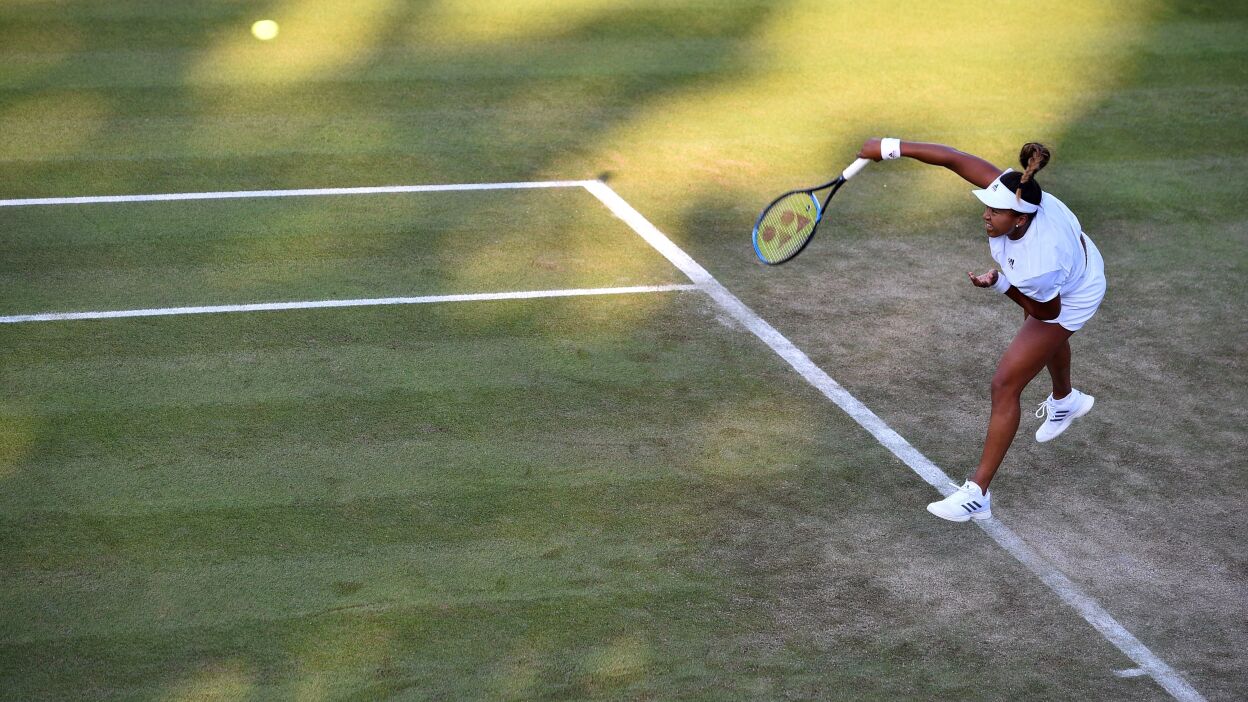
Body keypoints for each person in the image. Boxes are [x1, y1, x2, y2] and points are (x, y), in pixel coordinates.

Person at [858, 137, 1107, 522]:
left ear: (1021, 219)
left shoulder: (1038, 265)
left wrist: (1002, 285)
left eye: (997, 213)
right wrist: (891, 147)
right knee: (1041, 342)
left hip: (1073, 294)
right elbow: (954, 159)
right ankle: (1065, 399)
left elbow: (1045, 313)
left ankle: (978, 494)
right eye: (988, 207)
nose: (987, 216)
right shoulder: (1017, 189)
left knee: (1006, 383)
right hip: (1076, 264)